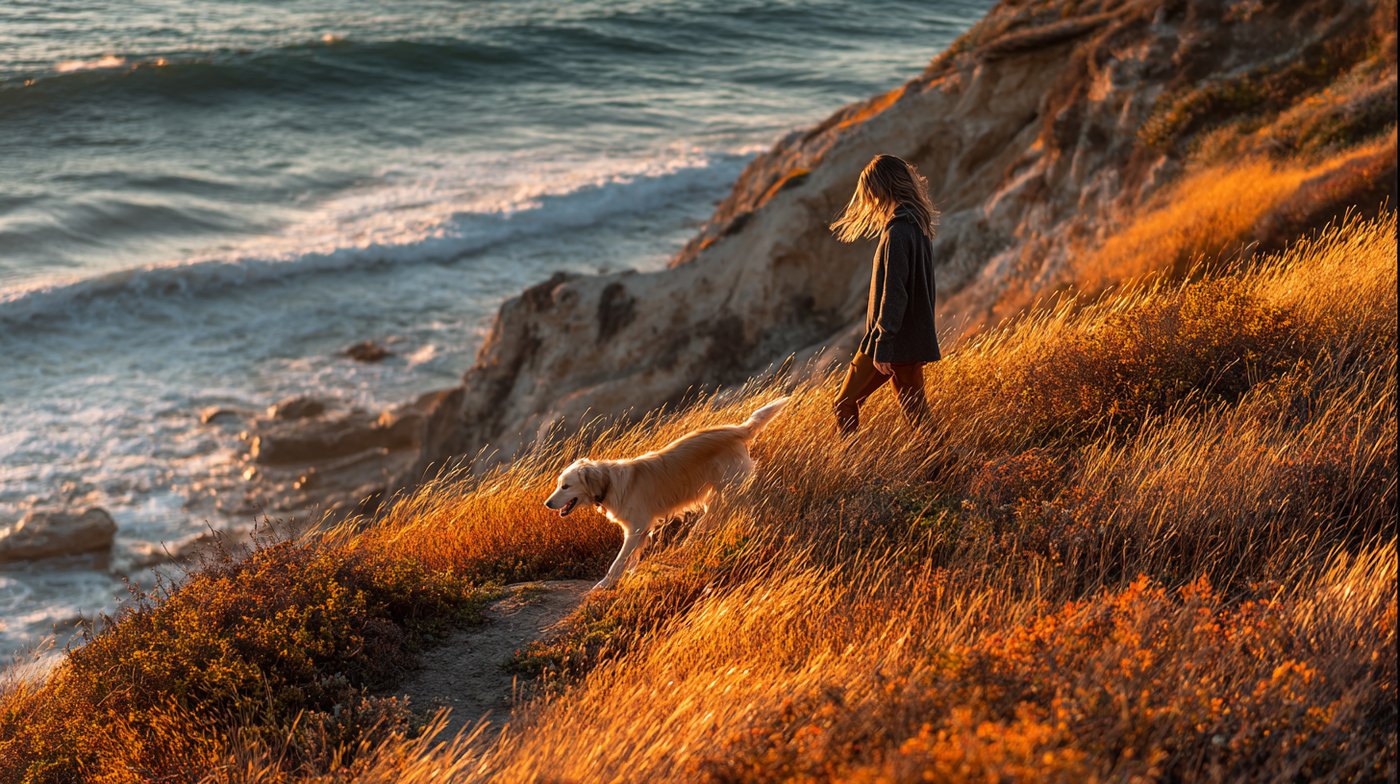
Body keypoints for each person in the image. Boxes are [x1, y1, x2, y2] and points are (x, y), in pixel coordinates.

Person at [829, 153, 941, 435]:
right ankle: (944, 468)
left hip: (890, 342)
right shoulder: (917, 225)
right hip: (910, 341)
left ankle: (850, 469)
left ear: (881, 188)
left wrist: (884, 342)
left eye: (870, 192)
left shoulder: (898, 231)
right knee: (917, 417)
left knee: (844, 402)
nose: (869, 200)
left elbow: (896, 292)